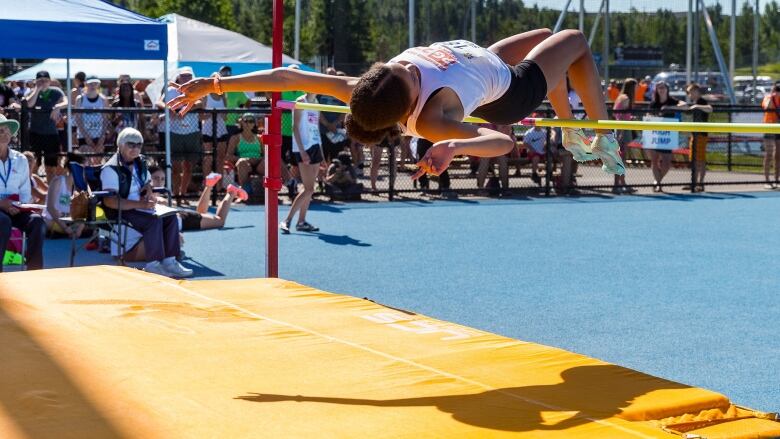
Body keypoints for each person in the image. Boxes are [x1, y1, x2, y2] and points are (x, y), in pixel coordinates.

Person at [169, 29, 625, 180]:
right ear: (409, 100)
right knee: (575, 42)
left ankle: (569, 124)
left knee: (544, 37)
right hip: (509, 89)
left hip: (480, 59)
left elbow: (287, 77)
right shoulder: (431, 118)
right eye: (409, 76)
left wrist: (212, 85)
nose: (407, 65)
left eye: (393, 65)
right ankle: (601, 135)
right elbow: (500, 143)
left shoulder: (365, 90)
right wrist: (450, 145)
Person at [100, 127, 192, 278]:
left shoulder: (140, 163)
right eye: (131, 144)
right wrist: (141, 205)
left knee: (171, 216)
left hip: (141, 208)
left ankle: (170, 261)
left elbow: (147, 181)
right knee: (154, 221)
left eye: (139, 145)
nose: (135, 148)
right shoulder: (110, 169)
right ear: (120, 145)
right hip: (122, 211)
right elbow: (110, 202)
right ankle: (153, 265)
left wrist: (148, 190)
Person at [0, 114, 46, 271]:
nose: (4, 134)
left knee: (37, 221)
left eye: (6, 130)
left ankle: (34, 271)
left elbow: (25, 191)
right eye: (0, 131)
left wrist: (20, 206)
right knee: (3, 221)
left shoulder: (21, 159)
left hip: (15, 207)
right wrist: (2, 204)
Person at [157, 67, 202, 206]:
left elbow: (201, 102)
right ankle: (176, 196)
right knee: (176, 167)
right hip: (174, 133)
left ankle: (182, 194)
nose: (186, 78)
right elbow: (159, 102)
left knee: (189, 167)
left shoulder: (197, 89)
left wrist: (182, 108)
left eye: (189, 76)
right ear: (179, 78)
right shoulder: (170, 90)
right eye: (183, 76)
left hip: (192, 133)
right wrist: (170, 108)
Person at [279, 92, 324, 233]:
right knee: (309, 189)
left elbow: (316, 128)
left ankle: (301, 221)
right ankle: (287, 220)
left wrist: (321, 154)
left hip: (315, 146)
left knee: (309, 190)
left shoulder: (316, 102)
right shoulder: (300, 101)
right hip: (303, 148)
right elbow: (295, 127)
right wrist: (302, 151)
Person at [23, 70, 68, 181]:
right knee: (33, 165)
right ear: (36, 81)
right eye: (40, 81)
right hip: (35, 133)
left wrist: (57, 107)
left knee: (51, 166)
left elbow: (66, 102)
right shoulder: (32, 92)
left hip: (51, 134)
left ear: (50, 81)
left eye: (46, 80)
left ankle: (49, 193)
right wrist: (37, 89)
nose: (43, 83)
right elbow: (29, 104)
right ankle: (34, 192)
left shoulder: (56, 91)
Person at [678, 83, 712, 192]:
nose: (689, 94)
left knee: (700, 160)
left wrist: (697, 107)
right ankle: (694, 182)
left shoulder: (701, 102)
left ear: (697, 91)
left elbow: (710, 109)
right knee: (694, 160)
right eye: (688, 92)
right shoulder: (694, 103)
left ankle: (700, 183)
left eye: (691, 92)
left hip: (701, 135)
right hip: (694, 134)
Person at [647, 81, 680, 192]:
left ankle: (658, 180)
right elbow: (648, 115)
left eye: (663, 87)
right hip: (655, 135)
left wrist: (670, 107)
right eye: (659, 88)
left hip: (667, 136)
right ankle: (658, 184)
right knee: (654, 160)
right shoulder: (653, 103)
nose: (661, 89)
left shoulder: (672, 101)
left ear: (667, 89)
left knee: (666, 163)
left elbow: (684, 105)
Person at [42, 154, 85, 238]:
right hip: (55, 222)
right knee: (47, 223)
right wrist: (65, 228)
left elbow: (83, 212)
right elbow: (50, 208)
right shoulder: (58, 182)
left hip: (70, 223)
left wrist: (79, 230)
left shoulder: (81, 186)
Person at [200, 73, 230, 178]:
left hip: (221, 131)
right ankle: (206, 184)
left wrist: (221, 113)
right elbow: (201, 117)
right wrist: (211, 113)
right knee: (208, 158)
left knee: (220, 159)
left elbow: (226, 118)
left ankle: (219, 186)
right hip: (208, 130)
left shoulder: (223, 97)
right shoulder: (206, 96)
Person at [75, 76, 109, 165]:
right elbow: (78, 120)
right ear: (86, 84)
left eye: (95, 83)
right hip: (83, 135)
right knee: (86, 161)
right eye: (90, 84)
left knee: (97, 162)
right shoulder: (80, 99)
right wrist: (87, 137)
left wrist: (102, 136)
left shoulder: (103, 99)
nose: (93, 86)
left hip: (98, 134)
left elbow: (105, 119)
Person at [611, 78, 637, 194]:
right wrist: (621, 133)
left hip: (619, 129)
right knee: (620, 159)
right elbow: (621, 117)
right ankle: (618, 184)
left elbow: (618, 115)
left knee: (620, 159)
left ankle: (621, 183)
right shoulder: (626, 98)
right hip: (622, 130)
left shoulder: (620, 97)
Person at [226, 113, 265, 188]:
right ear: (241, 123)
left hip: (258, 162)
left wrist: (256, 159)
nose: (248, 123)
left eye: (251, 121)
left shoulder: (260, 138)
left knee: (266, 163)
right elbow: (228, 156)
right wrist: (243, 159)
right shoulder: (235, 138)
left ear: (254, 124)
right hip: (244, 163)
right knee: (242, 163)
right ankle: (244, 191)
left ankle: (266, 191)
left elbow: (266, 155)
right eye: (245, 121)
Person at [760, 84, 780, 189]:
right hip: (768, 127)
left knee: (778, 155)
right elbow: (767, 107)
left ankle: (777, 179)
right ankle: (767, 180)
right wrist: (773, 96)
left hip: (778, 127)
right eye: (776, 89)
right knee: (768, 154)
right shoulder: (768, 97)